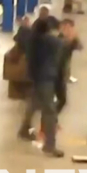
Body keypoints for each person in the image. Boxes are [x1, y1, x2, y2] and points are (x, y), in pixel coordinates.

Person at [19, 17, 65, 158]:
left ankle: (24, 129)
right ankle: (49, 146)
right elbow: (61, 53)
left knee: (33, 104)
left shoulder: (32, 40)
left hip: (34, 77)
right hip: (47, 78)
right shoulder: (53, 42)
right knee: (49, 111)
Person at [56, 19, 83, 113]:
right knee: (59, 100)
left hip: (61, 73)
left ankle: (51, 121)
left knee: (62, 100)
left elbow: (80, 47)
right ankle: (48, 122)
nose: (69, 30)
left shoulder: (70, 41)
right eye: (66, 27)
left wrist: (76, 37)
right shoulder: (57, 38)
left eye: (71, 28)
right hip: (53, 73)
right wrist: (70, 38)